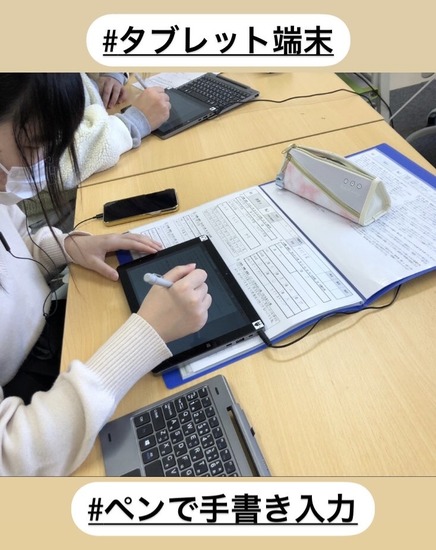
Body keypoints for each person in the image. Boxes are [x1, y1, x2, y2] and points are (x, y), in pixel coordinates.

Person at [0, 73, 212, 476]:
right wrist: (147, 335)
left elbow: (15, 244)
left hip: (48, 338)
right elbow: (12, 460)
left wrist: (68, 247)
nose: (44, 162)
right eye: (34, 145)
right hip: (29, 401)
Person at [23, 71, 171, 227]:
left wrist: (110, 73)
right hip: (51, 215)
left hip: (84, 180)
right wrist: (132, 123)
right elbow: (57, 165)